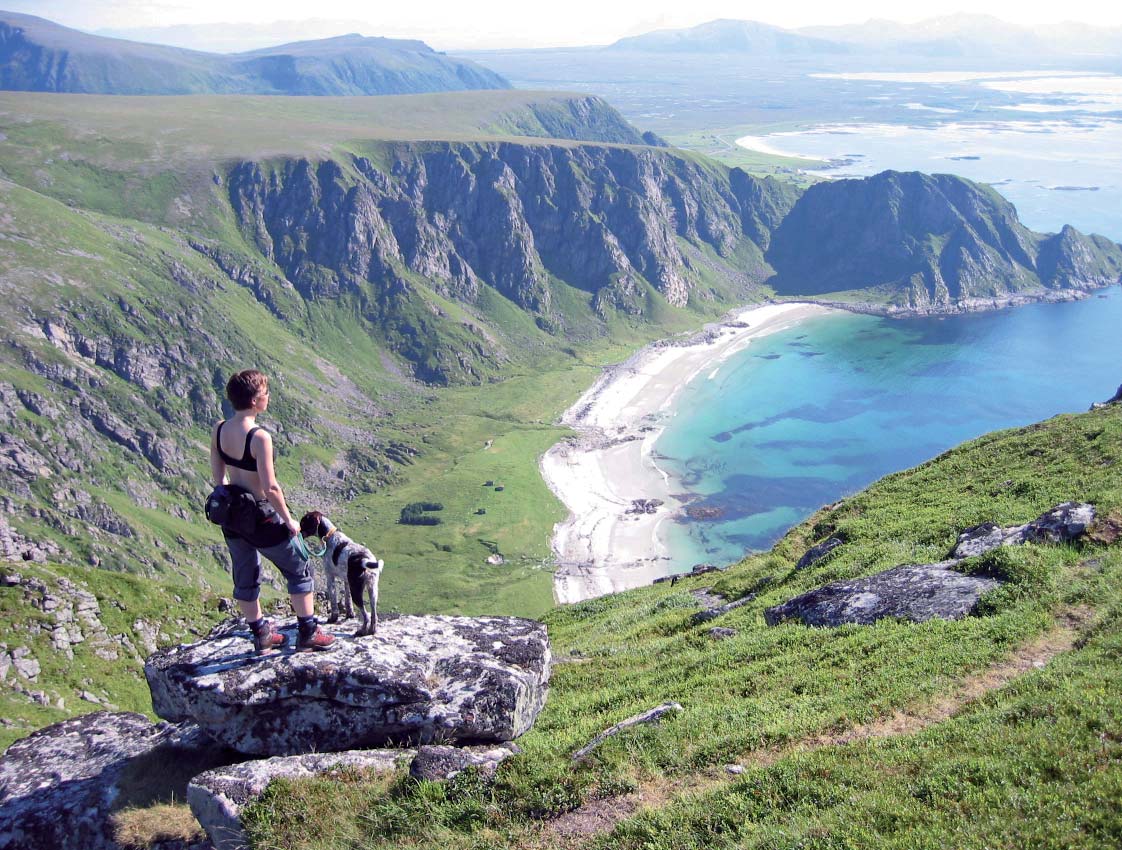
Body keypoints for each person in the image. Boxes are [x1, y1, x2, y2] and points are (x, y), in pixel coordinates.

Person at [211, 369, 334, 654]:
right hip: (262, 517)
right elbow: (271, 487)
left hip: (233, 515)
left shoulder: (219, 429)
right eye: (265, 393)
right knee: (300, 568)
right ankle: (308, 632)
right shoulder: (259, 437)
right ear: (255, 401)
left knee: (245, 573)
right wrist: (290, 520)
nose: (268, 397)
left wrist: (230, 493)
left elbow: (218, 474)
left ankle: (261, 634)